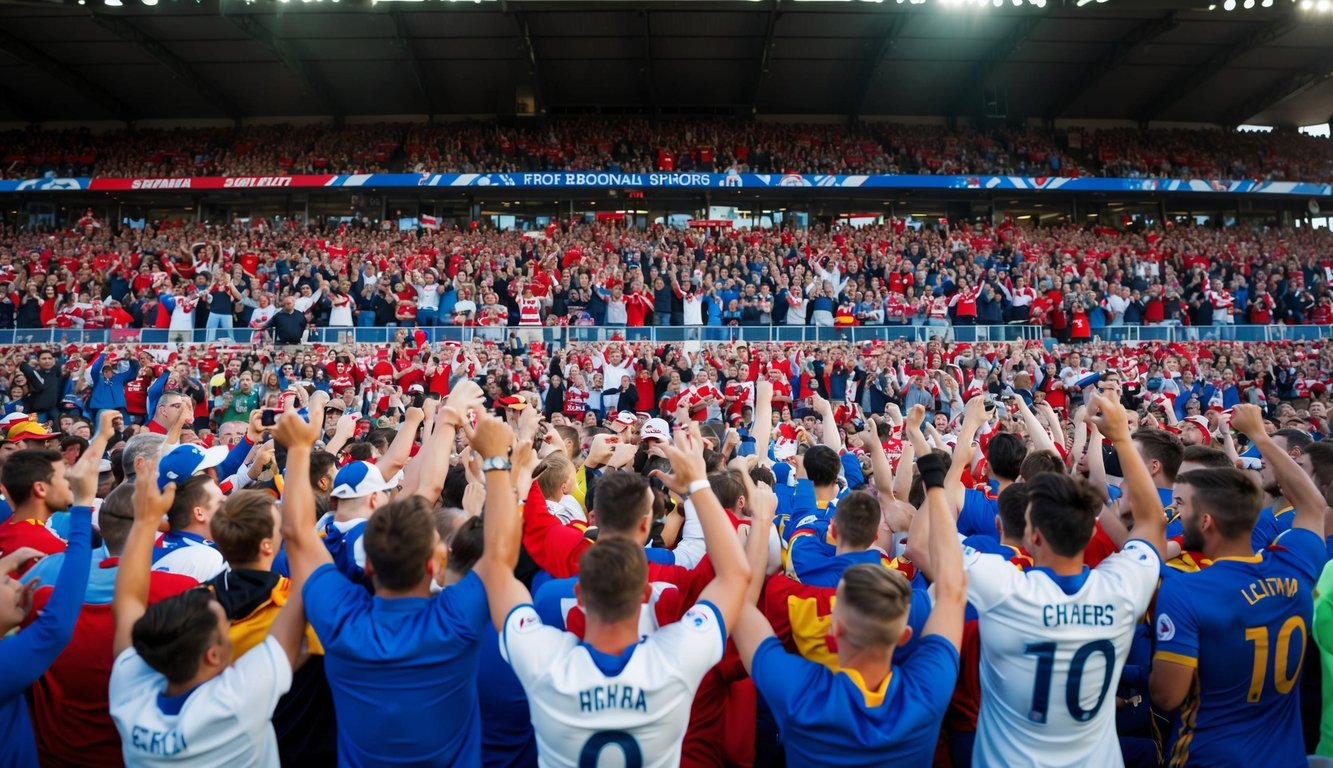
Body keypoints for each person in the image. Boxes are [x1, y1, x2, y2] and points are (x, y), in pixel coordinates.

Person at [478, 417, 752, 767]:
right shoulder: (674, 656)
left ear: (577, 593)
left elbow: (499, 567)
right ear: (645, 592)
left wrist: (507, 469)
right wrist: (696, 485)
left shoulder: (546, 661)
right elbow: (734, 574)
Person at [911, 393, 1167, 767]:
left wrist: (940, 474)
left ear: (1033, 538)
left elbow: (923, 543)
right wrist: (1122, 439)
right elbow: (1152, 524)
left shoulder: (1003, 587)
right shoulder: (1121, 589)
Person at [733, 407, 966, 766]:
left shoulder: (799, 687)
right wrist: (936, 482)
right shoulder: (925, 688)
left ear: (834, 628)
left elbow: (741, 608)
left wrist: (762, 519)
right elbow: (952, 587)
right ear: (903, 635)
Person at [279, 391, 493, 766]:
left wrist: (299, 450)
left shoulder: (324, 533)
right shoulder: (452, 619)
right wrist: (444, 422)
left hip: (332, 673)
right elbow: (430, 491)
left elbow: (295, 531)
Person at [107, 416, 311, 766]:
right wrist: (301, 450)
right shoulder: (235, 702)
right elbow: (307, 590)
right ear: (215, 656)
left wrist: (144, 522)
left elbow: (126, 600)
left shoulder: (132, 695)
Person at [1150, 404, 1327, 767]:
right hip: (1285, 757)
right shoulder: (1294, 564)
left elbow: (1166, 696)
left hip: (1210, 756)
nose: (1176, 515)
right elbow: (1313, 503)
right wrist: (1260, 436)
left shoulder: (1186, 592)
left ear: (1207, 520)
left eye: (1181, 506)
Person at [0, 437, 97, 763]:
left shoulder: (10, 531)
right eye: (63, 477)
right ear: (40, 489)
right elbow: (56, 626)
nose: (71, 482)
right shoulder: (45, 549)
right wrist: (84, 504)